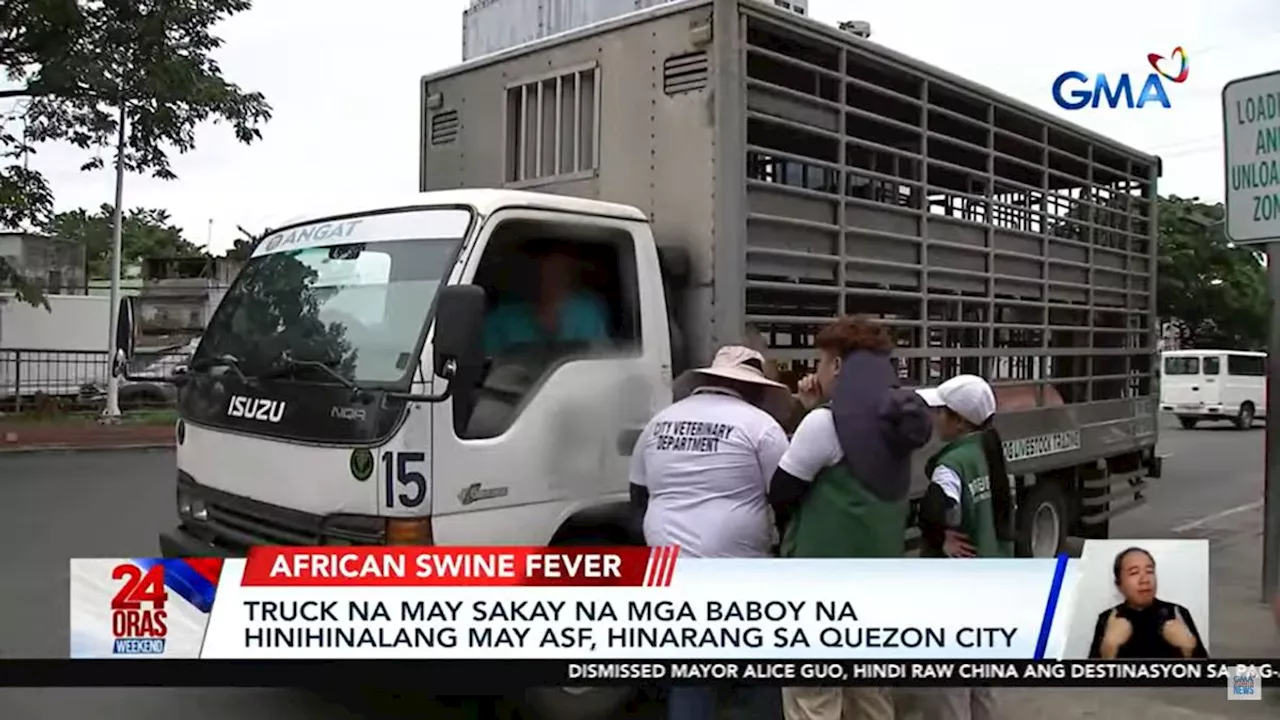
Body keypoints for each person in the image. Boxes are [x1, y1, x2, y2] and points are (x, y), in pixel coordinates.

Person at [767, 316, 934, 720]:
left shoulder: (824, 424)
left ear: (838, 366)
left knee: (814, 701)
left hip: (822, 588)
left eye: (821, 362)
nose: (817, 372)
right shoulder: (893, 420)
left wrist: (807, 415)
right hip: (877, 581)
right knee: (870, 697)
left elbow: (781, 491)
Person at [630, 345, 791, 720]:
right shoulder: (761, 426)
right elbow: (785, 495)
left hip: (668, 565)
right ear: (753, 388)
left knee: (690, 674)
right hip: (738, 566)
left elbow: (638, 493)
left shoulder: (659, 422)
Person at [909, 374, 1013, 720]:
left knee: (950, 684)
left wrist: (941, 538)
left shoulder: (951, 464)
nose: (934, 418)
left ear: (958, 420)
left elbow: (934, 510)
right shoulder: (986, 450)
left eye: (940, 411)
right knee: (982, 679)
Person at [482, 240, 611, 356]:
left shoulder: (587, 311)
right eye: (541, 271)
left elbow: (603, 359)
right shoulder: (502, 317)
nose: (549, 279)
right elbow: (488, 364)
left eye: (558, 271)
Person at [1088, 547, 1208, 659]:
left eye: (1150, 571)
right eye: (1134, 573)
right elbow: (1086, 678)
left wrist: (1189, 648)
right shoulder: (1109, 618)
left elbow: (1212, 676)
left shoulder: (1177, 613)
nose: (1144, 580)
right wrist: (1109, 647)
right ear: (1119, 584)